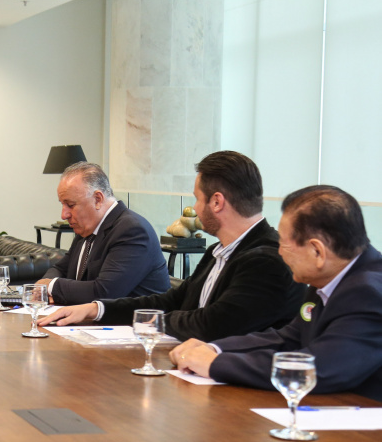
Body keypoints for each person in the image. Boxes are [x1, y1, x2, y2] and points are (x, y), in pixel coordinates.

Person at [40, 151, 303, 341]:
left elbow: (212, 324)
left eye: (197, 198)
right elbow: (174, 300)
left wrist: (146, 322)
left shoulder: (266, 259)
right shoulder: (218, 251)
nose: (195, 208)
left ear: (217, 202)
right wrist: (97, 309)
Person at [170, 186, 382, 399]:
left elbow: (322, 367)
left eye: (284, 245)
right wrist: (215, 349)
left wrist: (217, 364)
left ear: (317, 251)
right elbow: (290, 337)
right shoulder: (330, 277)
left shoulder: (368, 293)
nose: (279, 252)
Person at [36, 162, 169, 305]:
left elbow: (104, 293)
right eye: (62, 204)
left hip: (135, 319)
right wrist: (43, 288)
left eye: (71, 205)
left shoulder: (132, 230)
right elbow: (60, 269)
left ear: (98, 199)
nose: (64, 215)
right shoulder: (87, 228)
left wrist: (51, 286)